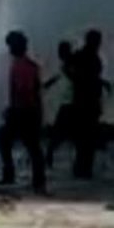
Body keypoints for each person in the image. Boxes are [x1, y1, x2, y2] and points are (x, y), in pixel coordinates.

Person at [0, 31, 47, 194]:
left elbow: (24, 90)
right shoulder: (30, 65)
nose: (9, 49)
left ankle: (13, 175)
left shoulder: (20, 66)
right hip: (29, 111)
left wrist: (13, 109)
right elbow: (35, 90)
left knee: (8, 141)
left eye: (11, 45)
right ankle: (37, 181)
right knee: (31, 147)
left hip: (23, 111)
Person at [70, 29, 105, 179]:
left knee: (83, 138)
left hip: (82, 100)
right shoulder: (91, 57)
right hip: (87, 101)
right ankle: (84, 168)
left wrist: (76, 80)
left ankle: (81, 167)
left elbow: (68, 67)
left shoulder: (81, 55)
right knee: (87, 138)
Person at [44, 41, 76, 169]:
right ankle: (50, 156)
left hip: (71, 103)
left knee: (59, 132)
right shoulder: (66, 64)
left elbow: (76, 77)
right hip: (67, 102)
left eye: (61, 51)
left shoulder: (71, 63)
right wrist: (48, 83)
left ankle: (49, 156)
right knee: (62, 133)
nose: (59, 55)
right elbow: (60, 75)